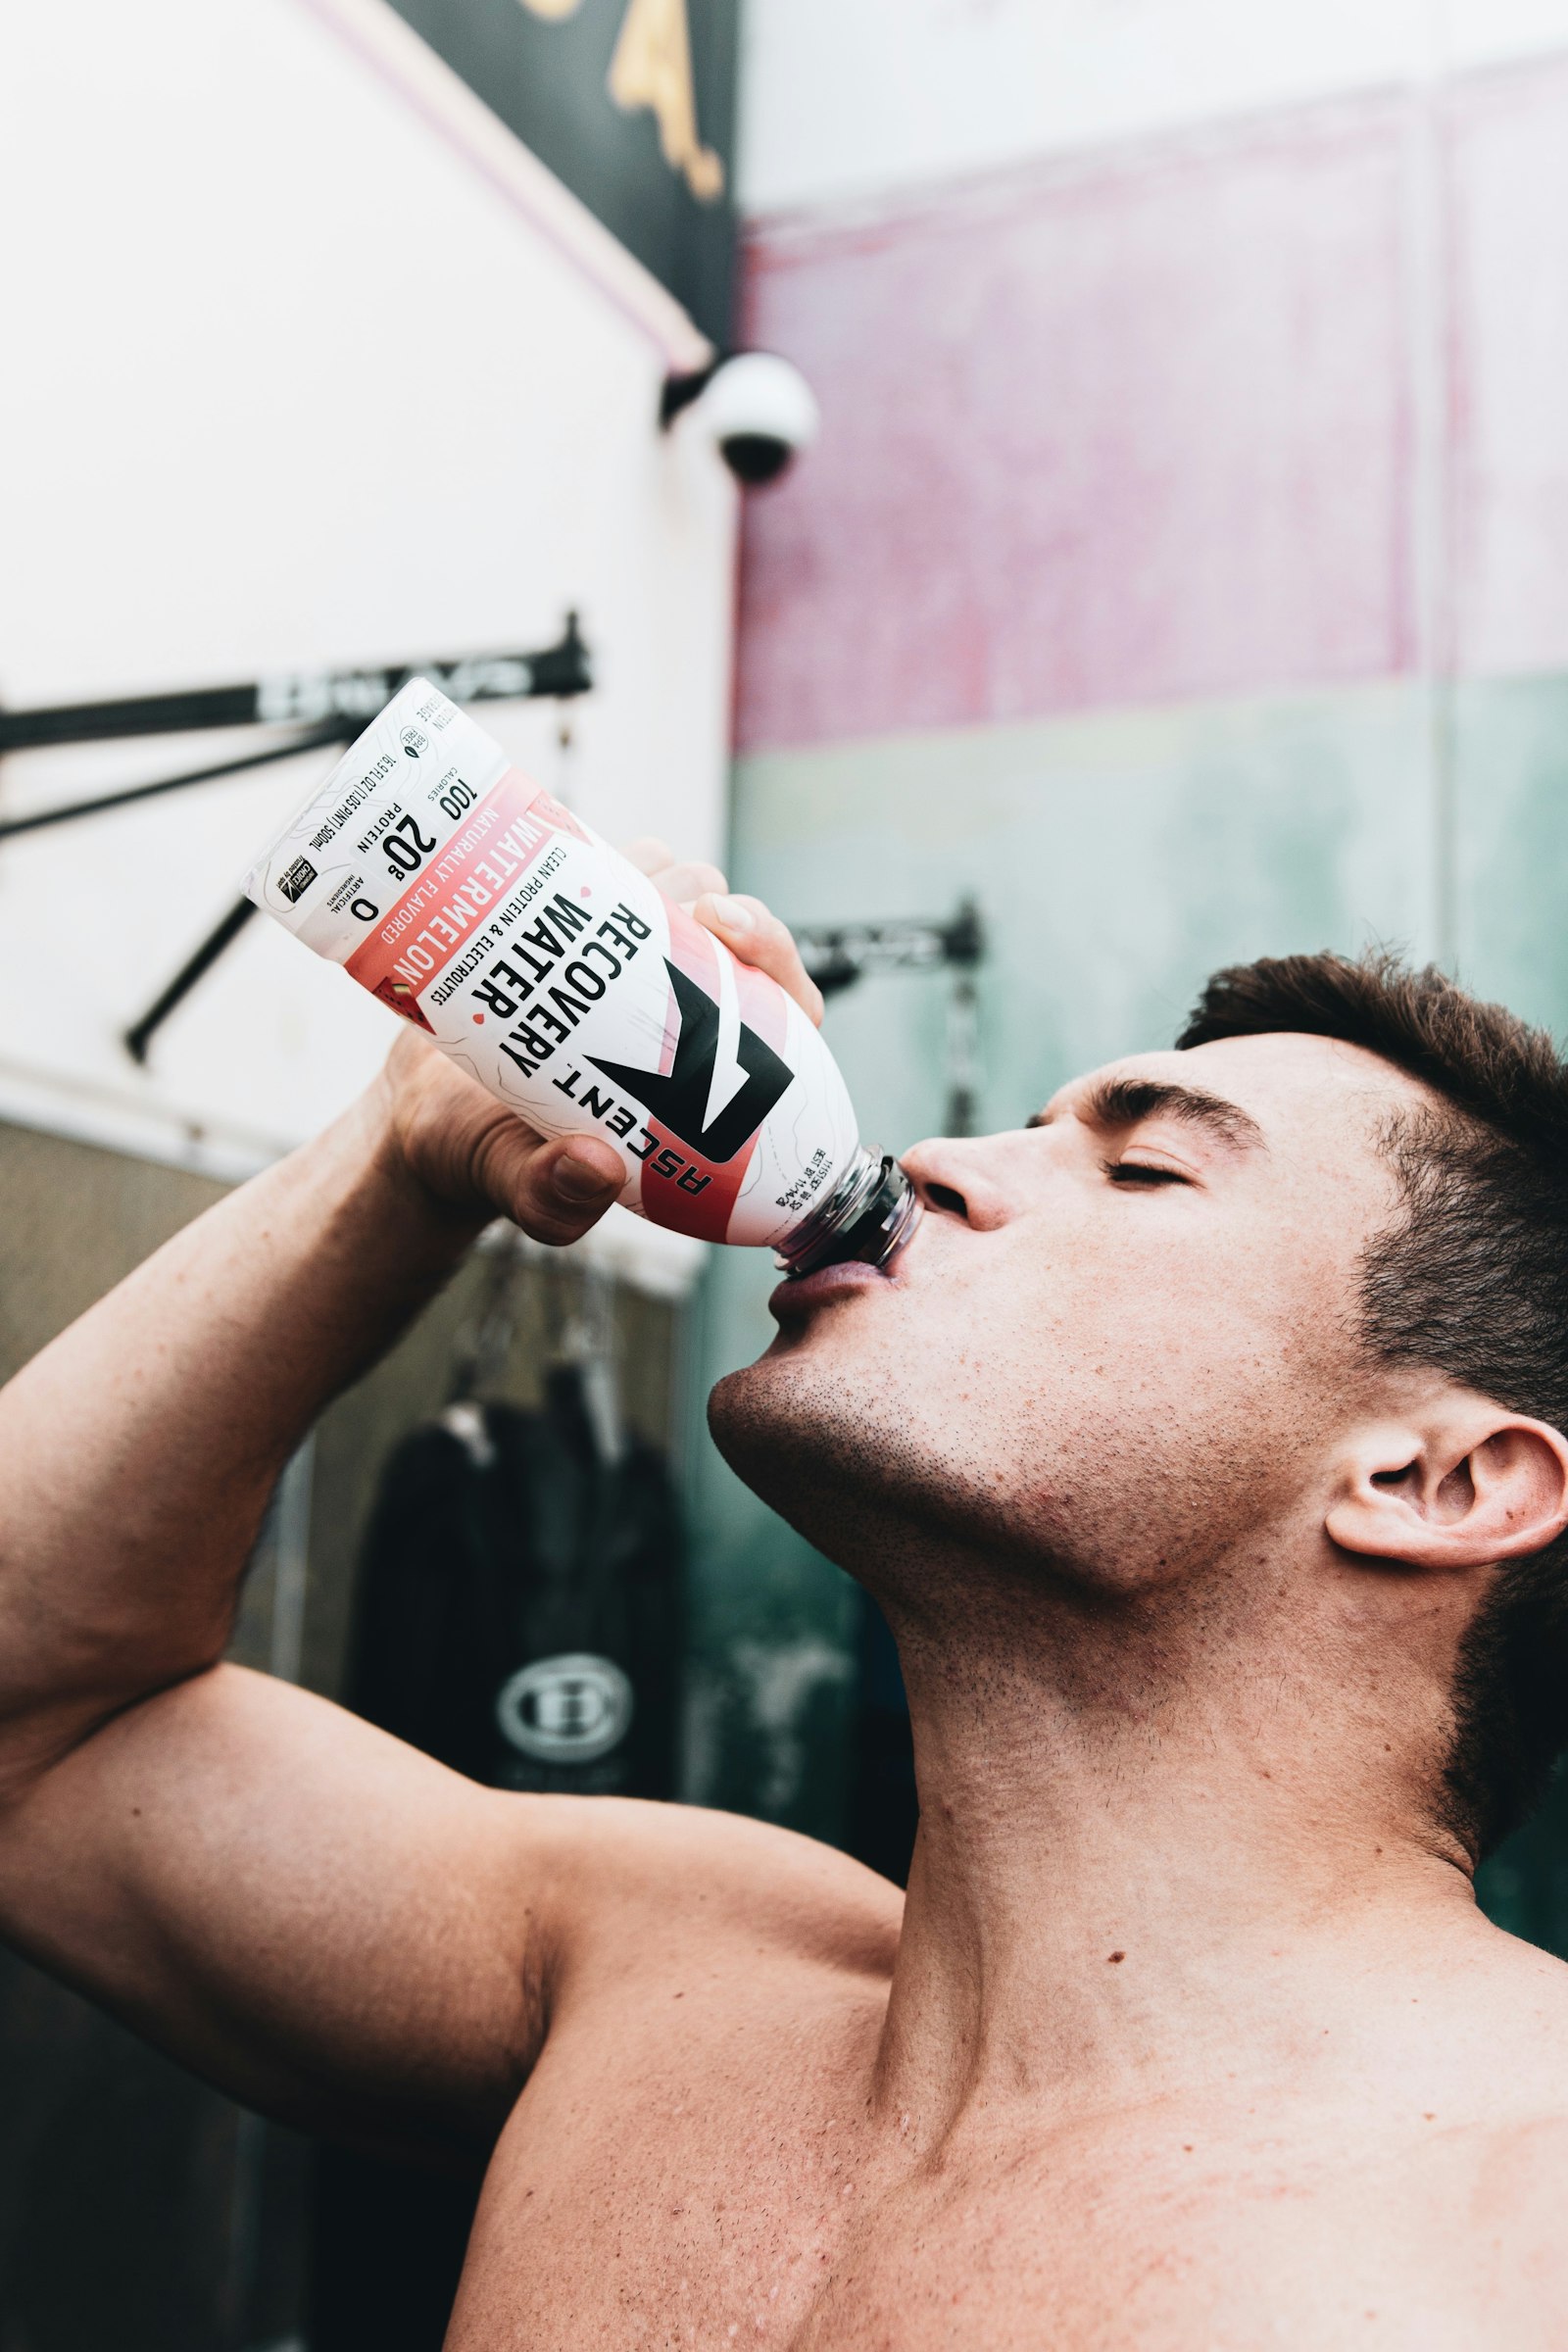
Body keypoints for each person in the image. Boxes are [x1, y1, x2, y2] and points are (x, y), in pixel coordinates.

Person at [3, 836, 1568, 2348]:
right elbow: (40, 1729)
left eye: (1145, 1166)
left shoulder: (1523, 2214)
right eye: (1029, 1126)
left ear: (1436, 1483)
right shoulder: (661, 1977)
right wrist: (403, 1160)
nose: (936, 1160)